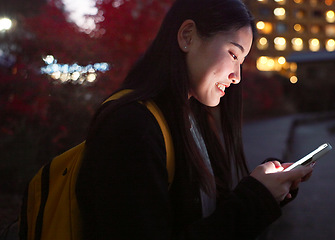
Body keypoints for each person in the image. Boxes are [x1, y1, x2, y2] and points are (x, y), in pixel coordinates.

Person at [75, 0, 314, 239]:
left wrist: (265, 192)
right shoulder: (131, 126)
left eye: (241, 62)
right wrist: (255, 199)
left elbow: (206, 217)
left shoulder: (191, 117)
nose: (237, 77)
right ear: (187, 36)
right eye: (233, 54)